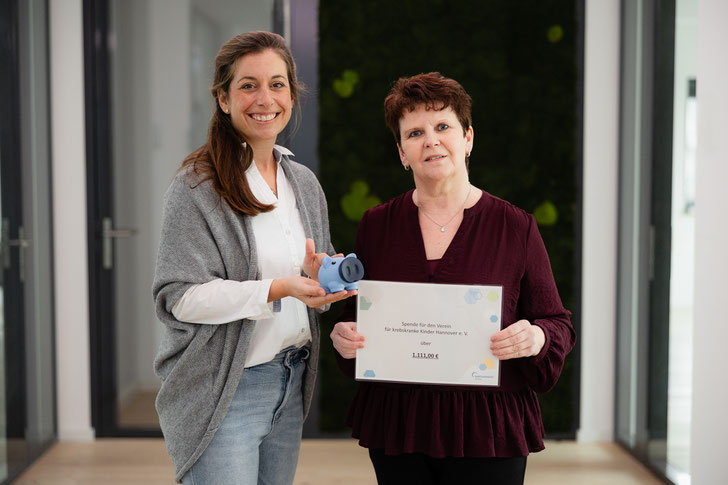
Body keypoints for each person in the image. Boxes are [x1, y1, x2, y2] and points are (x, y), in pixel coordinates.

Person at [330, 72, 576, 485]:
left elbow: (557, 323)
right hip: (399, 424)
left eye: (443, 126)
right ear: (402, 153)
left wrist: (536, 337)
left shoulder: (516, 227)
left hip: (489, 428)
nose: (431, 140)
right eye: (415, 133)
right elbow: (362, 320)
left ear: (468, 139)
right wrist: (344, 337)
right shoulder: (375, 226)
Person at [152, 31, 355, 485]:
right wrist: (279, 289)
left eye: (277, 84)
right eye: (248, 85)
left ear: (291, 93)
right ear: (223, 99)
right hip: (227, 390)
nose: (265, 99)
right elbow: (179, 298)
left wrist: (320, 280)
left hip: (291, 377)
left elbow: (307, 270)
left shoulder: (302, 182)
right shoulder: (196, 186)